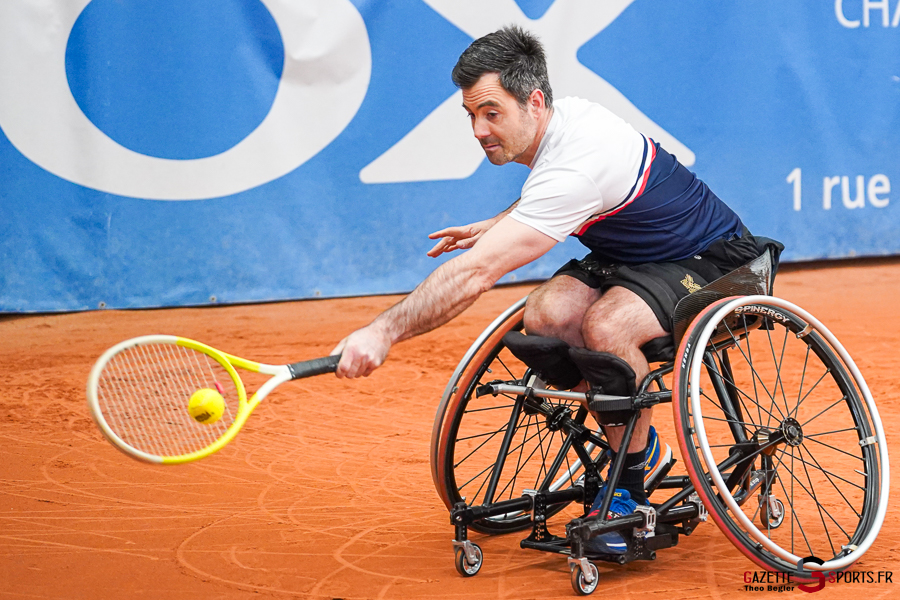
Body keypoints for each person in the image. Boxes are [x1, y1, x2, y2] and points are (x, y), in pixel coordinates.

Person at [333, 26, 771, 553]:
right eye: (470, 115)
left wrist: (383, 332)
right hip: (632, 257)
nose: (478, 129)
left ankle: (628, 484)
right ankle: (640, 443)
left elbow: (476, 273)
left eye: (491, 113)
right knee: (545, 315)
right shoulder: (567, 122)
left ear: (535, 102)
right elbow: (551, 190)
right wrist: (498, 222)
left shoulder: (577, 164)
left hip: (716, 262)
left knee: (606, 326)